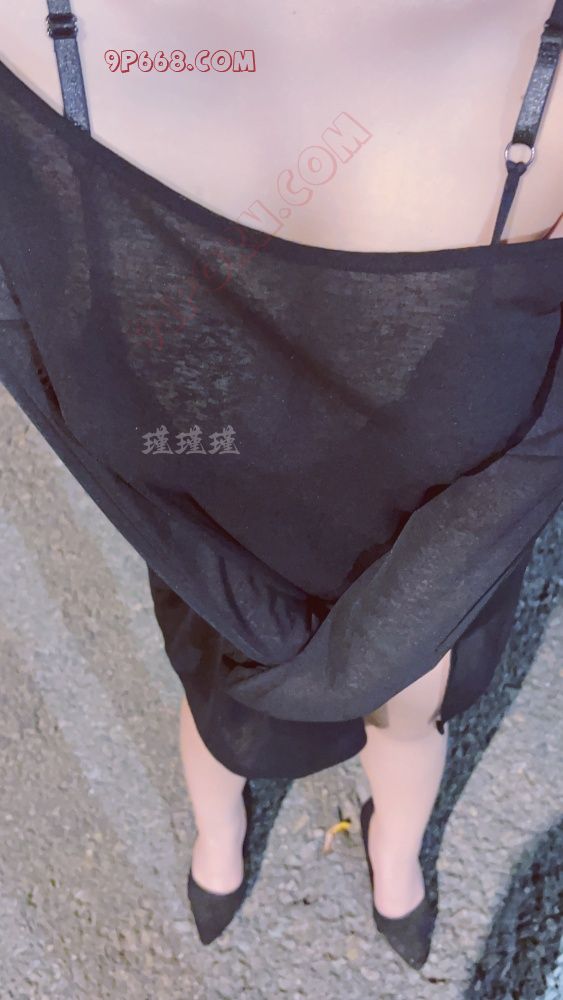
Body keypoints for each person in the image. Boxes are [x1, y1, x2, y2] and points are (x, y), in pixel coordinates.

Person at [1, 0, 562, 971]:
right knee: (243, 717)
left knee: (380, 718)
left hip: (383, 568)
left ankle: (386, 861)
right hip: (272, 560)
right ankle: (228, 840)